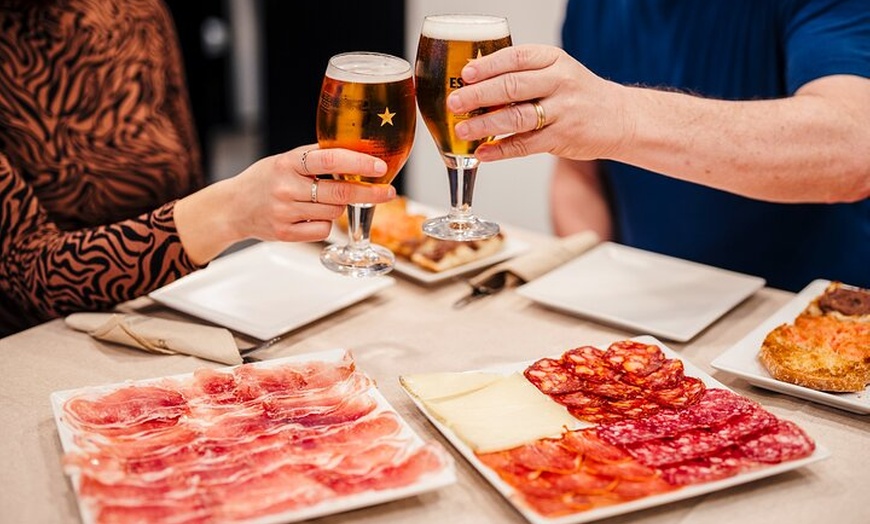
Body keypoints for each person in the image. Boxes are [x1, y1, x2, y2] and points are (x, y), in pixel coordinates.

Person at [0, 0, 395, 337]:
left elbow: (185, 175)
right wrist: (230, 211)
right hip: (42, 338)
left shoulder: (136, 11)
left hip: (172, 310)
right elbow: (27, 276)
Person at [446, 0, 870, 292]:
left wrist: (622, 116)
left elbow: (854, 149)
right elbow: (579, 173)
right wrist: (594, 280)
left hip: (810, 323)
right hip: (651, 309)